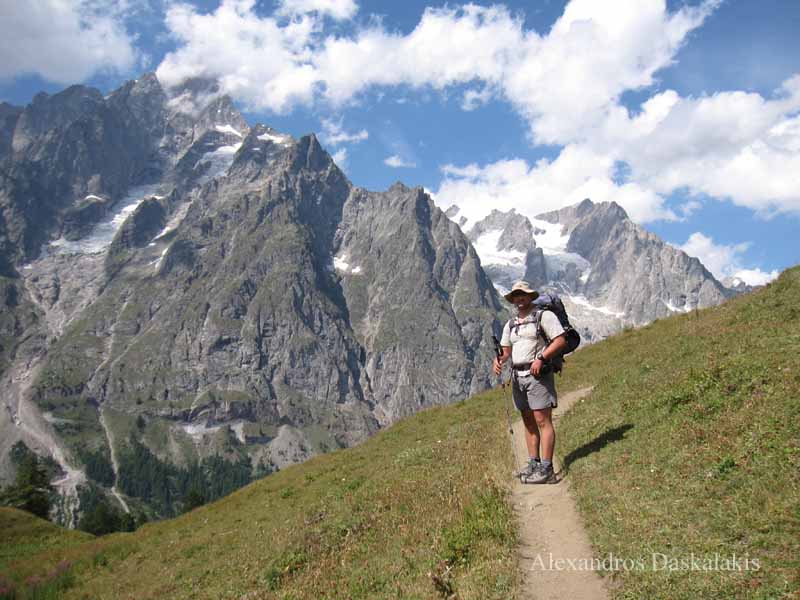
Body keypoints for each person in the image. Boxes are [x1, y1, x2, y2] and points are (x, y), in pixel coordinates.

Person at [493, 281, 569, 483]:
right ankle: (534, 464)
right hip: (518, 377)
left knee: (543, 421)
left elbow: (560, 340)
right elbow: (506, 351)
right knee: (528, 422)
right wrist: (498, 360)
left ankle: (547, 469)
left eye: (522, 295)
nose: (519, 299)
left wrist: (542, 358)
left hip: (538, 375)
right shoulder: (511, 324)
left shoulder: (544, 316)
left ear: (530, 297)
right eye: (516, 296)